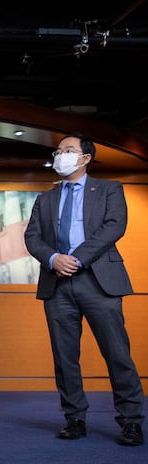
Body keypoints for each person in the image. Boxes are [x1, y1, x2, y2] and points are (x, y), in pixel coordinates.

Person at [24, 132, 144, 446]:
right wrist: (53, 259)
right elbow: (32, 238)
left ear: (86, 158)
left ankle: (131, 421)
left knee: (117, 354)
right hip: (57, 284)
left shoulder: (108, 189)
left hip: (98, 281)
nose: (60, 154)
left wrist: (76, 259)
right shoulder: (45, 198)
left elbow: (114, 226)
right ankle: (74, 418)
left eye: (68, 150)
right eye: (58, 150)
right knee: (65, 358)